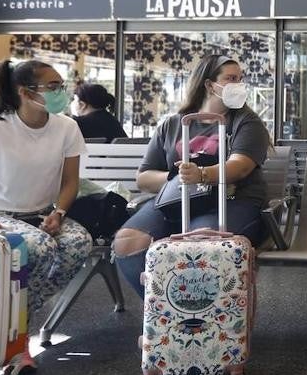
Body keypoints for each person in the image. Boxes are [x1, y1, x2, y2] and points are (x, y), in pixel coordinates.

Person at [112, 55, 272, 297]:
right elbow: (144, 177)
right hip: (177, 201)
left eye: (240, 79)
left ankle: (191, 316)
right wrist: (182, 178)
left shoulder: (247, 123)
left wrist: (202, 175)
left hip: (232, 201)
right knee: (127, 241)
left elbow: (240, 167)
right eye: (230, 79)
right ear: (209, 85)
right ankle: (162, 310)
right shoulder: (174, 125)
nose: (238, 84)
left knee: (198, 245)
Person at [0, 59, 94, 320]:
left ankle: (15, 318)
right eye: (53, 86)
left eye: (62, 86)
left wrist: (60, 212)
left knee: (79, 243)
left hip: (44, 213)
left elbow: (69, 182)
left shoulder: (67, 127)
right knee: (39, 247)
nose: (61, 93)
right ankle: (14, 324)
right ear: (26, 92)